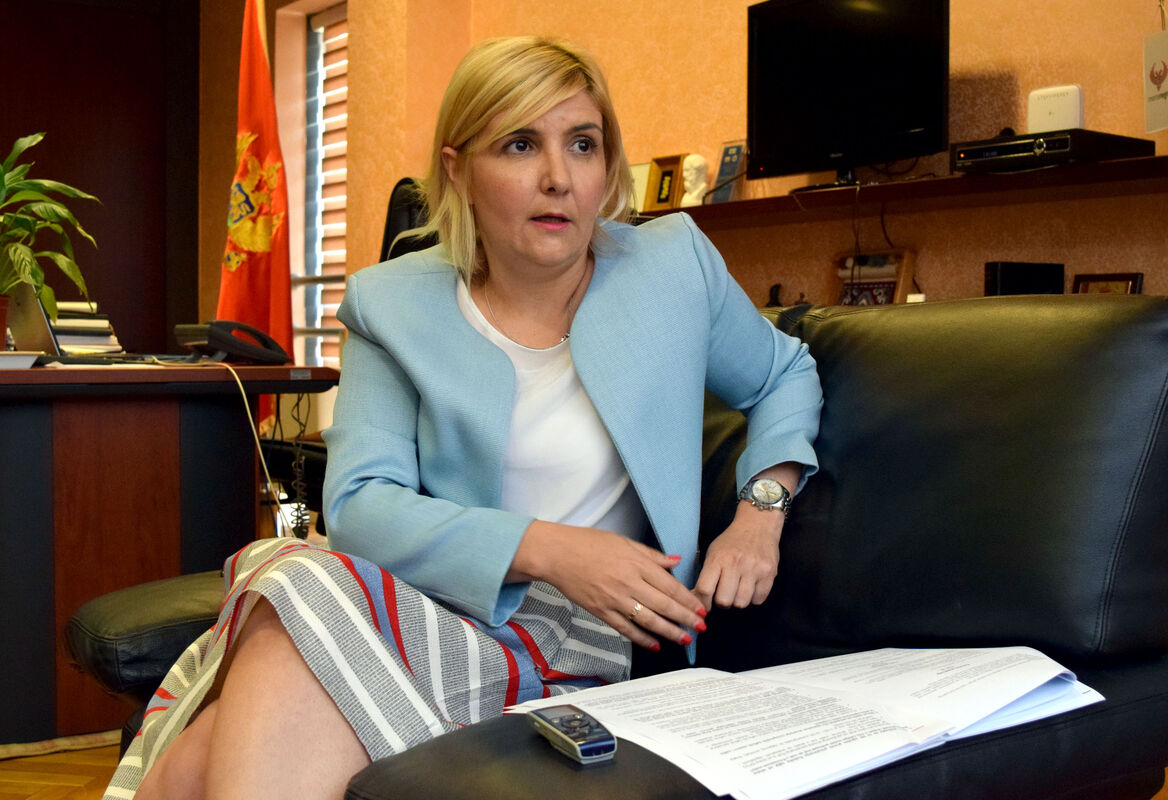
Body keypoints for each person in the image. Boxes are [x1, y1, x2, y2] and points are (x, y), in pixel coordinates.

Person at [105, 35, 821, 800]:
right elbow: (359, 507)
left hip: (579, 632)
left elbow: (785, 374)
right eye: (520, 144)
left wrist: (760, 512)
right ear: (458, 170)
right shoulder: (392, 302)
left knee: (215, 732)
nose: (558, 177)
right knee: (293, 587)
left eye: (583, 144)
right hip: (430, 598)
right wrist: (551, 548)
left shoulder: (673, 266)